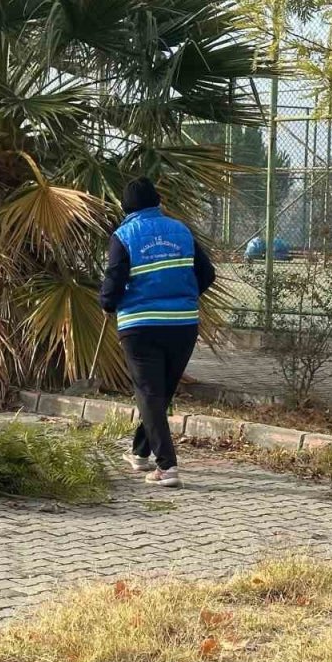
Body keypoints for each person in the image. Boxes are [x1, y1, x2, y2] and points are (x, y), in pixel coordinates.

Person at [100, 178, 215, 489]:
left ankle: (167, 467)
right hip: (182, 325)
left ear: (125, 207)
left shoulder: (123, 236)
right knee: (159, 394)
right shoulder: (182, 230)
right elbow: (207, 274)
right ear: (157, 201)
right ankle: (140, 453)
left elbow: (114, 279)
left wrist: (108, 304)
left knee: (150, 394)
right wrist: (185, 297)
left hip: (140, 326)